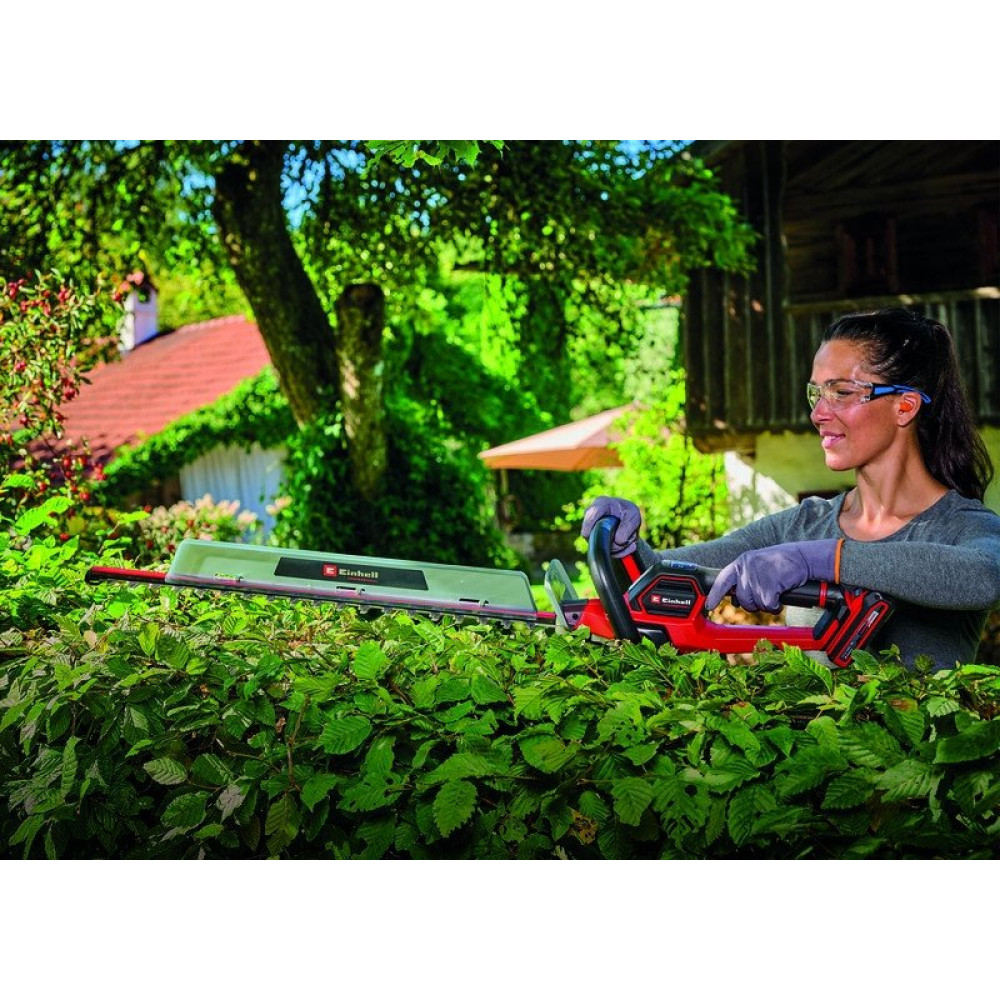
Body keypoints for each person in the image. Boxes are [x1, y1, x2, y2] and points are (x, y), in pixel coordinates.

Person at [581, 307, 1000, 669]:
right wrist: (625, 548)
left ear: (904, 406)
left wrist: (820, 559)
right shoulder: (803, 525)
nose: (818, 414)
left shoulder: (961, 525)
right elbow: (660, 576)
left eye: (841, 392)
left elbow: (984, 577)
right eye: (817, 393)